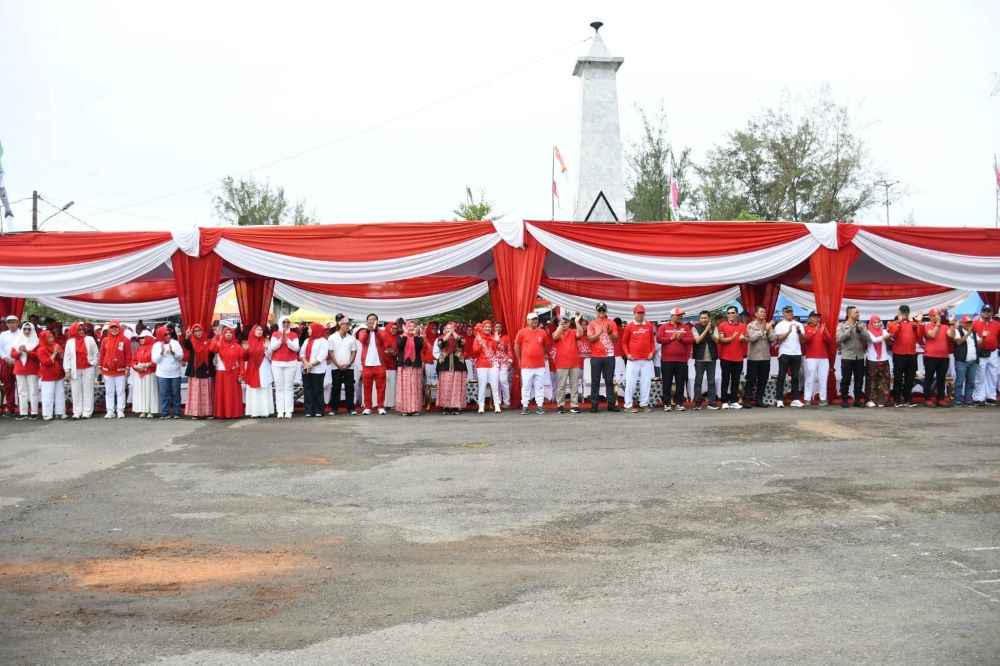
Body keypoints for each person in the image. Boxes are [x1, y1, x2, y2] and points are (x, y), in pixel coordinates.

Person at [620, 304, 656, 413]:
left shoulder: (649, 325)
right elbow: (624, 343)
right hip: (633, 360)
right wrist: (627, 354)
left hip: (646, 360)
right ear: (634, 314)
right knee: (630, 382)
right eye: (638, 313)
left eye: (642, 313)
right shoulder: (629, 326)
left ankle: (644, 404)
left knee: (646, 383)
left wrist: (652, 352)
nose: (640, 315)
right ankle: (628, 405)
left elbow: (652, 342)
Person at [657, 307, 692, 412]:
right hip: (667, 360)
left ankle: (679, 403)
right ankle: (667, 404)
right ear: (672, 316)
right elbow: (658, 339)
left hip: (681, 360)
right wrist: (671, 338)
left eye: (681, 315)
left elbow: (691, 340)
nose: (681, 317)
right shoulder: (663, 327)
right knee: (667, 382)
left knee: (680, 383)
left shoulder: (685, 327)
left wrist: (681, 338)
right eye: (679, 315)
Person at [586, 302, 619, 412]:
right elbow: (590, 339)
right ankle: (594, 405)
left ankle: (611, 404)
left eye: (603, 310)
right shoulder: (592, 323)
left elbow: (615, 339)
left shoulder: (611, 323)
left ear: (606, 311)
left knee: (609, 380)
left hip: (609, 355)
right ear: (596, 311)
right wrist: (599, 333)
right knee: (595, 381)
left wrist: (609, 333)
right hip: (596, 356)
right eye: (599, 310)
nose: (601, 312)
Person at [515, 312, 550, 414]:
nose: (535, 321)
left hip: (540, 365)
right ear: (528, 321)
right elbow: (516, 346)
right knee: (526, 386)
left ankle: (539, 406)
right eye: (533, 319)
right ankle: (525, 406)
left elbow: (546, 346)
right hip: (526, 365)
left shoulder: (542, 332)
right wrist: (519, 360)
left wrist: (543, 354)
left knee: (539, 386)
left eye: (536, 319)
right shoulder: (522, 332)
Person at [63, 321, 99, 419]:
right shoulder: (70, 342)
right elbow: (67, 357)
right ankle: (77, 412)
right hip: (75, 369)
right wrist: (67, 370)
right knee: (76, 391)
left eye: (83, 329)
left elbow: (96, 353)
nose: (82, 331)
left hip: (88, 368)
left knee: (88, 390)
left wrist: (94, 362)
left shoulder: (90, 339)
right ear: (74, 330)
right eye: (79, 329)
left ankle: (87, 412)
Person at [714, 306, 747, 410]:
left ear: (737, 314)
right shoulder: (722, 325)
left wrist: (744, 338)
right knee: (725, 380)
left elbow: (747, 338)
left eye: (732, 313)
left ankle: (733, 400)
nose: (730, 315)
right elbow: (721, 340)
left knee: (736, 380)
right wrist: (732, 338)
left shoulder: (743, 326)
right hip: (725, 357)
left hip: (738, 358)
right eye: (728, 313)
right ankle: (724, 401)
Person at [887, 304, 920, 408]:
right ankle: (897, 399)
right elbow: (892, 333)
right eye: (902, 312)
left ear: (908, 313)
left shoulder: (914, 324)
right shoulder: (893, 323)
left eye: (905, 313)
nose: (904, 314)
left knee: (910, 377)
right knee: (898, 377)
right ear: (899, 313)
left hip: (911, 354)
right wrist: (899, 321)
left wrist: (918, 322)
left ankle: (907, 398)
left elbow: (919, 336)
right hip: (899, 354)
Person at [773, 305, 806, 408]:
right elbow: (779, 339)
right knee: (781, 376)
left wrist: (799, 332)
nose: (789, 314)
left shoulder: (799, 324)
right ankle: (779, 399)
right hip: (784, 353)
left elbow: (803, 341)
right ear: (783, 313)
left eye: (791, 312)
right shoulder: (780, 325)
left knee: (795, 377)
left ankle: (795, 399)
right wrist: (788, 331)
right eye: (787, 312)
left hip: (796, 353)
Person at [357, 313, 390, 415]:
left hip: (379, 364)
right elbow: (362, 340)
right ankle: (368, 407)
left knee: (381, 387)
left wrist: (375, 331)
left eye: (374, 319)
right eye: (370, 320)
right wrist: (369, 330)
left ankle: (380, 406)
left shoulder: (381, 332)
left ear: (377, 321)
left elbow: (384, 341)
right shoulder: (363, 332)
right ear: (367, 322)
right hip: (367, 365)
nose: (371, 321)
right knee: (367, 387)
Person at [836, 306, 869, 408]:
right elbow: (838, 339)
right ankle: (845, 399)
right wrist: (848, 331)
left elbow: (868, 338)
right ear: (849, 314)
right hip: (847, 357)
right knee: (846, 379)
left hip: (859, 356)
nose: (858, 314)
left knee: (859, 379)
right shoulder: (841, 325)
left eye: (858, 312)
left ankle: (857, 400)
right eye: (856, 313)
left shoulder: (862, 325)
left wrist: (861, 332)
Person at [551, 316, 583, 414]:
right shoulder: (557, 331)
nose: (564, 324)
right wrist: (560, 325)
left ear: (569, 323)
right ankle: (560, 405)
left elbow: (581, 333)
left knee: (574, 385)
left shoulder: (573, 331)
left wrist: (577, 322)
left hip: (574, 362)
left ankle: (574, 405)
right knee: (561, 385)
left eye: (566, 322)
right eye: (563, 322)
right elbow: (555, 336)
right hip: (561, 363)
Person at [99, 320, 131, 419]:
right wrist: (100, 367)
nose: (114, 329)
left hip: (120, 370)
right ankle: (110, 411)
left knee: (120, 391)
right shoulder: (105, 340)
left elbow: (128, 355)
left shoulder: (125, 340)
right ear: (109, 329)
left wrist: (127, 368)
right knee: (109, 391)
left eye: (115, 327)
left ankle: (120, 410)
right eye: (112, 327)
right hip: (107, 370)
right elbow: (102, 354)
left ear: (119, 328)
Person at [211, 325, 245, 419]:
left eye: (230, 333)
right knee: (222, 393)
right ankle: (221, 413)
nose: (228, 334)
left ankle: (234, 413)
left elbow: (241, 360)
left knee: (233, 394)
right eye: (226, 333)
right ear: (223, 334)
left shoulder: (237, 346)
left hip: (234, 372)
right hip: (221, 372)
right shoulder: (218, 344)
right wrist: (217, 336)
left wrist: (242, 373)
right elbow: (211, 348)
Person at [270, 316, 300, 419]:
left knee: (288, 387)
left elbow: (296, 348)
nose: (286, 324)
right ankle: (280, 411)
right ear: (280, 323)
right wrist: (280, 340)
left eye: (288, 322)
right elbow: (272, 347)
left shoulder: (294, 335)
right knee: (279, 388)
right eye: (284, 322)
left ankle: (288, 411)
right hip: (277, 363)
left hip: (291, 363)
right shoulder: (275, 334)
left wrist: (287, 340)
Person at [183, 323, 215, 419]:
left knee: (206, 392)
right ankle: (195, 413)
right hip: (195, 370)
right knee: (195, 392)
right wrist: (187, 336)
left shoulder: (208, 341)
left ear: (203, 331)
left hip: (206, 369)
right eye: (195, 331)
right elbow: (186, 345)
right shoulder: (191, 341)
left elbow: (212, 353)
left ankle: (207, 412)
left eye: (199, 330)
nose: (198, 333)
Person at [151, 325, 184, 419]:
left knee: (176, 393)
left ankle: (177, 412)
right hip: (162, 374)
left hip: (175, 373)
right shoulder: (156, 345)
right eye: (165, 334)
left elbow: (181, 356)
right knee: (164, 394)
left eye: (169, 334)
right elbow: (154, 360)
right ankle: (165, 413)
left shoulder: (175, 343)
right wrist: (161, 352)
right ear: (161, 335)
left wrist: (173, 352)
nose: (168, 336)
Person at [434, 322, 467, 414]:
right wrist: (448, 334)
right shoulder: (440, 338)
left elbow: (462, 342)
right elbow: (441, 344)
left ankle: (456, 407)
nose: (450, 329)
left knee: (456, 386)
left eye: (452, 328)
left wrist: (454, 333)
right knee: (446, 386)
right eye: (448, 328)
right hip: (445, 365)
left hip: (458, 365)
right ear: (445, 330)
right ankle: (446, 406)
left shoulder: (459, 337)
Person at [328, 317, 358, 416]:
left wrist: (349, 363)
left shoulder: (352, 338)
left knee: (350, 388)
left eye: (348, 324)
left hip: (349, 367)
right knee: (335, 387)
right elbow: (331, 352)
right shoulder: (332, 337)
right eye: (345, 324)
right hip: (336, 367)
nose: (347, 326)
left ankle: (351, 408)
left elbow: (354, 352)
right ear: (340, 325)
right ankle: (334, 408)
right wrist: (337, 364)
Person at [242, 324, 274, 418]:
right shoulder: (249, 342)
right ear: (253, 331)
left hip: (264, 366)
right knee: (254, 390)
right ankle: (254, 412)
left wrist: (267, 349)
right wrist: (245, 350)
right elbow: (245, 357)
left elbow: (271, 357)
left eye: (261, 330)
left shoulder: (266, 341)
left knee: (264, 388)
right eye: (257, 330)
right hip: (252, 368)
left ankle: (265, 411)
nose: (259, 331)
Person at [744, 306, 774, 408]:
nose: (763, 314)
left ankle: (759, 400)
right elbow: (752, 338)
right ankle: (747, 400)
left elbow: (773, 339)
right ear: (756, 314)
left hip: (765, 357)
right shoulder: (751, 325)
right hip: (754, 357)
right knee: (751, 379)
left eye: (764, 312)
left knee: (763, 379)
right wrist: (764, 330)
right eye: (761, 312)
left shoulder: (768, 325)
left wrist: (769, 331)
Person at [921, 308, 950, 408]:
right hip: (930, 356)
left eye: (937, 315)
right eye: (934, 315)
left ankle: (940, 398)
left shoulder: (945, 327)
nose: (936, 317)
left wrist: (953, 327)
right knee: (929, 378)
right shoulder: (927, 326)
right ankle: (927, 398)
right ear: (930, 317)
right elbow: (932, 335)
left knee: (941, 378)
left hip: (943, 356)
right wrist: (937, 324)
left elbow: (952, 336)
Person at [690, 310, 719, 410]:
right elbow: (697, 340)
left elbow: (717, 340)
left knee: (711, 381)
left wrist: (710, 331)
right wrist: (706, 330)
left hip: (711, 359)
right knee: (698, 381)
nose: (703, 320)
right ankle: (697, 403)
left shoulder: (714, 327)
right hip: (699, 358)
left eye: (705, 318)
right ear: (699, 319)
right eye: (701, 318)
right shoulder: (694, 328)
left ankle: (711, 402)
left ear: (709, 318)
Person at [394, 320, 425, 416]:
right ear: (406, 327)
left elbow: (419, 347)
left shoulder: (419, 338)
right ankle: (405, 409)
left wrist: (415, 335)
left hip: (415, 365)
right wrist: (406, 335)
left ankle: (415, 409)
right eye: (409, 326)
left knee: (415, 387)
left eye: (413, 326)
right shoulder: (400, 337)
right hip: (404, 365)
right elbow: (400, 346)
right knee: (405, 388)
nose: (411, 328)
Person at [472, 320, 503, 413]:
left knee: (494, 385)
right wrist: (481, 344)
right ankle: (481, 406)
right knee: (482, 385)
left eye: (489, 327)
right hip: (482, 365)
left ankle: (497, 405)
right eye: (486, 327)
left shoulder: (493, 338)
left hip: (493, 364)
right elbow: (475, 351)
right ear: (482, 328)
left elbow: (497, 350)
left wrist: (497, 342)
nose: (487, 328)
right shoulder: (478, 338)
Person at [299, 322, 328, 417]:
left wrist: (310, 365)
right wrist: (306, 363)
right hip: (306, 368)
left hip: (318, 370)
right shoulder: (307, 340)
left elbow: (322, 356)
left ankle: (318, 410)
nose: (308, 330)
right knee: (307, 390)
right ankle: (308, 410)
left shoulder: (323, 341)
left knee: (317, 390)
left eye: (310, 329)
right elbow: (301, 353)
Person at [972, 305, 1000, 406]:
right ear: (981, 312)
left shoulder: (997, 324)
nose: (987, 313)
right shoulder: (975, 323)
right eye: (985, 311)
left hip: (993, 352)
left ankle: (991, 396)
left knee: (993, 375)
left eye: (989, 311)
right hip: (980, 353)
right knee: (980, 375)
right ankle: (979, 397)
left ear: (992, 312)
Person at [802, 312, 831, 406]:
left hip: (824, 357)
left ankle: (823, 399)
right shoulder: (806, 328)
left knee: (823, 379)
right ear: (810, 318)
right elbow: (806, 339)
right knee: (810, 378)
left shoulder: (822, 327)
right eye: (814, 317)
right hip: (811, 357)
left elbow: (829, 340)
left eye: (818, 317)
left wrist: (824, 331)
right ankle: (807, 399)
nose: (817, 319)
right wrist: (815, 331)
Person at [36, 330, 67, 421]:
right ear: (43, 339)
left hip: (58, 374)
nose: (51, 339)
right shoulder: (41, 349)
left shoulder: (55, 345)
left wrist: (60, 352)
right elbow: (47, 362)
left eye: (52, 337)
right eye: (49, 337)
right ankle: (47, 413)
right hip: (47, 375)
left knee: (60, 393)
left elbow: (62, 357)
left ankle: (60, 412)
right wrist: (55, 352)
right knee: (47, 394)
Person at [950, 315, 979, 407]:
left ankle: (968, 400)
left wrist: (985, 337)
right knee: (959, 381)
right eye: (967, 322)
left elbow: (979, 342)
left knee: (971, 382)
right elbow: (958, 342)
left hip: (973, 361)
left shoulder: (974, 333)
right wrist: (968, 334)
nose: (969, 324)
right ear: (962, 323)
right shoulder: (958, 331)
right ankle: (958, 400)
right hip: (962, 361)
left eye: (970, 322)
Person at [864, 316, 891, 408]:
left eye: (878, 322)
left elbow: (889, 339)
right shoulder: (868, 332)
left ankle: (882, 400)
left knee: (884, 380)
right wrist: (885, 336)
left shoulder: (883, 331)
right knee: (872, 380)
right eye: (874, 323)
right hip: (872, 359)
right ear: (871, 323)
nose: (877, 324)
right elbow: (874, 340)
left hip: (884, 358)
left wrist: (888, 335)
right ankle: (871, 400)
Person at [130, 330, 159, 418]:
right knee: (141, 392)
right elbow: (133, 360)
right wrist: (135, 366)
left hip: (150, 373)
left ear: (148, 338)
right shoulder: (139, 348)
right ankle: (142, 410)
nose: (141, 340)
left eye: (143, 338)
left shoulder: (154, 348)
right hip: (139, 373)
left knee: (150, 391)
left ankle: (150, 410)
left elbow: (156, 361)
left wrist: (147, 365)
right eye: (140, 338)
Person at [0, 315, 19, 416]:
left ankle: (21, 409)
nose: (11, 324)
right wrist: (6, 358)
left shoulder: (22, 333)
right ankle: (10, 408)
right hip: (6, 362)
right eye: (9, 322)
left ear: (17, 322)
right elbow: (0, 348)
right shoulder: (3, 334)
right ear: (6, 324)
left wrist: (15, 359)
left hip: (19, 362)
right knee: (8, 386)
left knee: (21, 386)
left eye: (13, 322)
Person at [494, 321, 512, 408]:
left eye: (499, 327)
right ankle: (497, 401)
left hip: (504, 361)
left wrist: (510, 361)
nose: (498, 328)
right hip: (493, 362)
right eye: (496, 327)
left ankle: (506, 402)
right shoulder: (490, 337)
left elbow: (509, 350)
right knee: (496, 382)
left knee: (503, 381)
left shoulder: (506, 338)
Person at [422, 321, 440, 409]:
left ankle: (438, 401)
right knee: (429, 384)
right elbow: (422, 352)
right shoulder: (425, 339)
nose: (434, 330)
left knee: (439, 383)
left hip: (438, 363)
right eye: (432, 328)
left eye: (436, 329)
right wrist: (426, 360)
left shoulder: (439, 338)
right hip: (429, 363)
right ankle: (428, 403)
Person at [383, 320, 400, 410]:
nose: (394, 330)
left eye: (396, 328)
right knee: (385, 385)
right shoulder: (384, 336)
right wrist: (386, 351)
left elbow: (399, 349)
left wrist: (395, 353)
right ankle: (384, 403)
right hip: (384, 364)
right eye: (393, 328)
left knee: (392, 385)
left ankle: (392, 403)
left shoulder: (398, 337)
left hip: (393, 364)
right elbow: (380, 348)